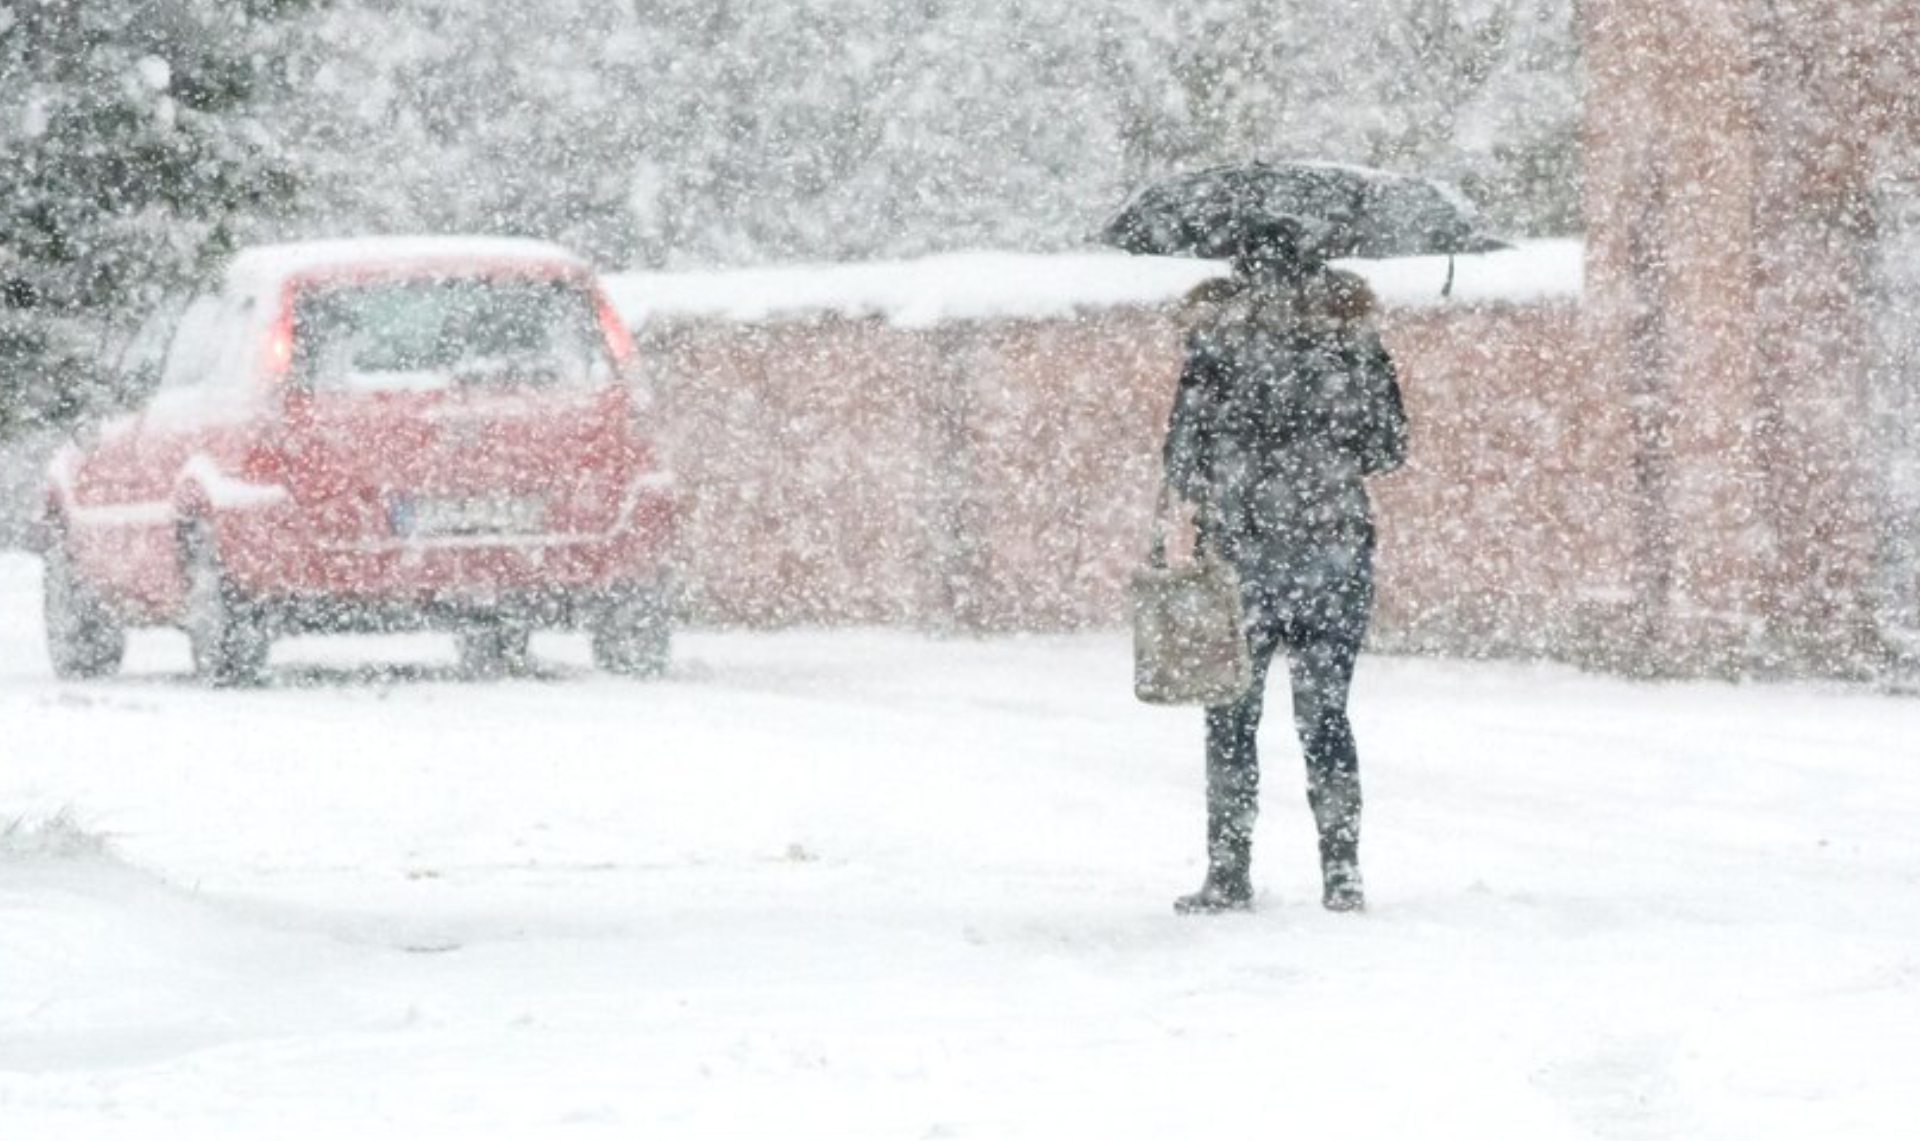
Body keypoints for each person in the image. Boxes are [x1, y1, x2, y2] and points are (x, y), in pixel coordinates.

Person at [1162, 216, 1408, 915]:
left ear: (1238, 266)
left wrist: (1231, 466)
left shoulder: (1215, 342)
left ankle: (1228, 872)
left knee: (1231, 718)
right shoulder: (1353, 341)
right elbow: (1389, 448)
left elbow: (1181, 462)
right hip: (1333, 553)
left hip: (1240, 556)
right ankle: (1342, 872)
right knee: (1326, 715)